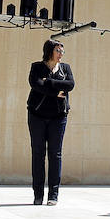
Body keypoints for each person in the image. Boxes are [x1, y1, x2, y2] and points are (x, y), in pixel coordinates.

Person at [27, 39, 75, 206]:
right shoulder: (37, 67)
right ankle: (38, 194)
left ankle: (53, 195)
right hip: (37, 115)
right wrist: (55, 92)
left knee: (55, 155)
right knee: (38, 154)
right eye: (58, 50)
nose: (61, 54)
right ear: (49, 51)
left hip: (59, 117)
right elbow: (36, 84)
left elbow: (70, 85)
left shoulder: (65, 68)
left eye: (62, 51)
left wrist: (49, 81)